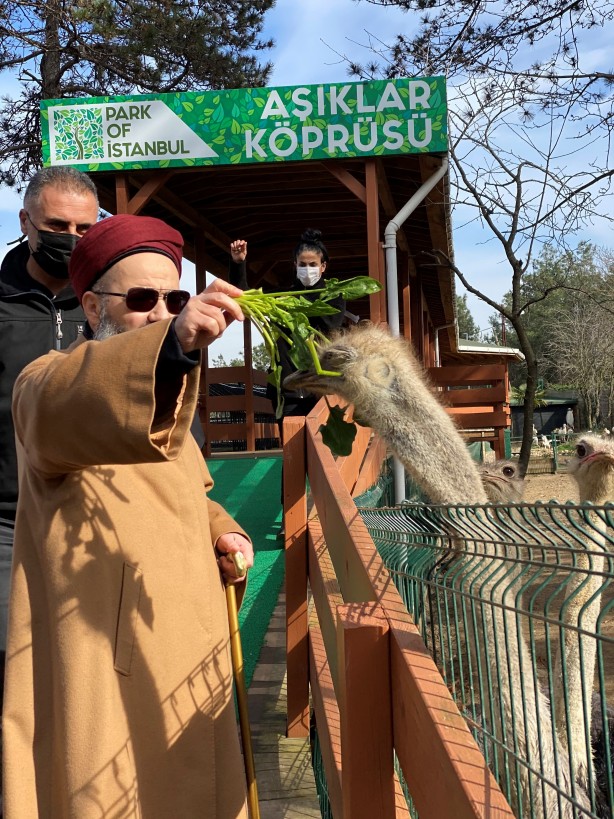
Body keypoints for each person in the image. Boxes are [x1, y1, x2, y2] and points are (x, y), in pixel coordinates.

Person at [5, 214, 254, 818]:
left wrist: (223, 529)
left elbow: (188, 492)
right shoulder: (45, 384)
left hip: (190, 650)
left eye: (175, 299)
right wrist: (170, 348)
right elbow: (73, 400)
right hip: (112, 670)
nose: (162, 313)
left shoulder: (171, 397)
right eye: (143, 299)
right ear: (93, 307)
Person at [0, 166, 99, 694]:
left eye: (85, 229)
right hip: (9, 519)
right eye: (58, 226)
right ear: (25, 222)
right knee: (12, 663)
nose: (72, 239)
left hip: (91, 514)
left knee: (83, 668)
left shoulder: (111, 304)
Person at [229, 229, 346, 421]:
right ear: (295, 265)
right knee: (291, 438)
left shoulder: (334, 297)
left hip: (320, 388)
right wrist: (238, 263)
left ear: (323, 266)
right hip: (287, 390)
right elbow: (243, 296)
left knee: (322, 439)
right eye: (302, 264)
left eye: (312, 264)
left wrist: (294, 306)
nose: (307, 269)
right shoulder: (280, 298)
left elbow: (330, 325)